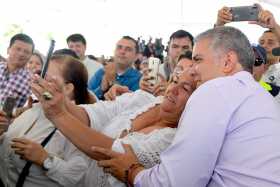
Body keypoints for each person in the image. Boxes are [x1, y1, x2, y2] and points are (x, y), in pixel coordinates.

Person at [92, 26, 280, 187]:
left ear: (227, 62)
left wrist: (132, 171)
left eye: (198, 60)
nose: (192, 70)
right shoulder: (261, 97)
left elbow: (176, 182)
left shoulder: (216, 89)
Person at [30, 52, 196, 187]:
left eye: (186, 88)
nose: (174, 89)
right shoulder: (141, 99)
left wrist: (58, 114)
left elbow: (110, 152)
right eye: (175, 80)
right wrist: (59, 98)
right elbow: (93, 114)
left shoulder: (174, 138)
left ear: (198, 101)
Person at [0, 55, 94, 187]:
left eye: (47, 79)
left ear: (67, 89)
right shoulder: (35, 108)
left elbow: (78, 178)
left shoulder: (78, 125)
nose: (38, 81)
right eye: (41, 75)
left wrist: (44, 159)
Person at [215, 5, 280, 87]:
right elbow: (215, 51)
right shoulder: (243, 71)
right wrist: (219, 25)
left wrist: (274, 26)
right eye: (261, 42)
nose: (264, 46)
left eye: (270, 43)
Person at [0, 33, 34, 108]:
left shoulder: (32, 82)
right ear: (8, 50)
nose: (21, 54)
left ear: (30, 56)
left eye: (26, 52)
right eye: (18, 49)